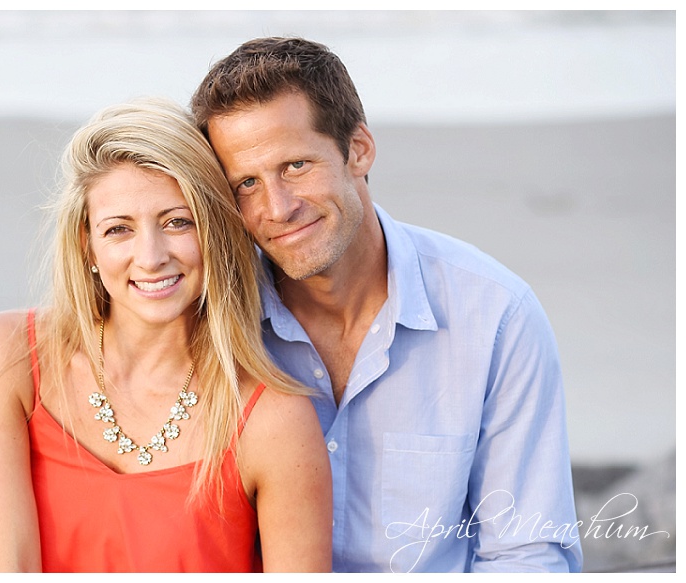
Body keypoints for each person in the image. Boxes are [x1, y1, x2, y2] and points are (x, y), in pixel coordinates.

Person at [189, 36, 583, 573]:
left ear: (358, 150)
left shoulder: (495, 316)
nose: (276, 208)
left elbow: (527, 553)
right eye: (247, 184)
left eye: (297, 165)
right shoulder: (211, 325)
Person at [0, 98, 332, 572]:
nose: (151, 256)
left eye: (177, 222)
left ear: (214, 232)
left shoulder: (274, 421)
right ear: (86, 244)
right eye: (119, 230)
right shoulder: (7, 355)